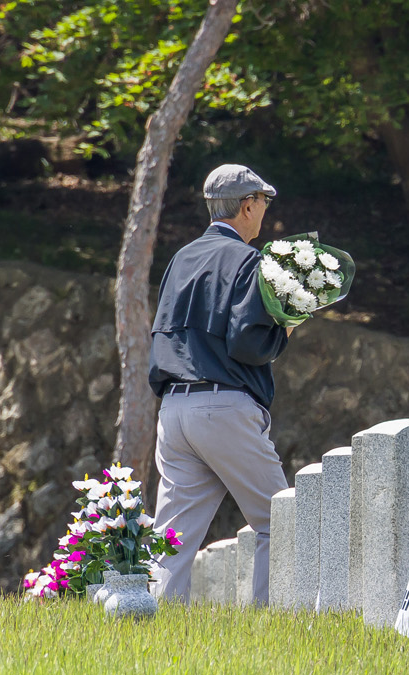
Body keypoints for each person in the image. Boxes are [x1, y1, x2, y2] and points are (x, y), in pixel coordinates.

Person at [146, 163, 289, 603]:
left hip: (173, 409)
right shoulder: (250, 261)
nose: (265, 210)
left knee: (171, 536)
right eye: (263, 201)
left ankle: (147, 621)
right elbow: (248, 343)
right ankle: (274, 627)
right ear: (247, 206)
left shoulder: (181, 257)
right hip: (223, 406)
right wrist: (284, 327)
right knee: (281, 521)